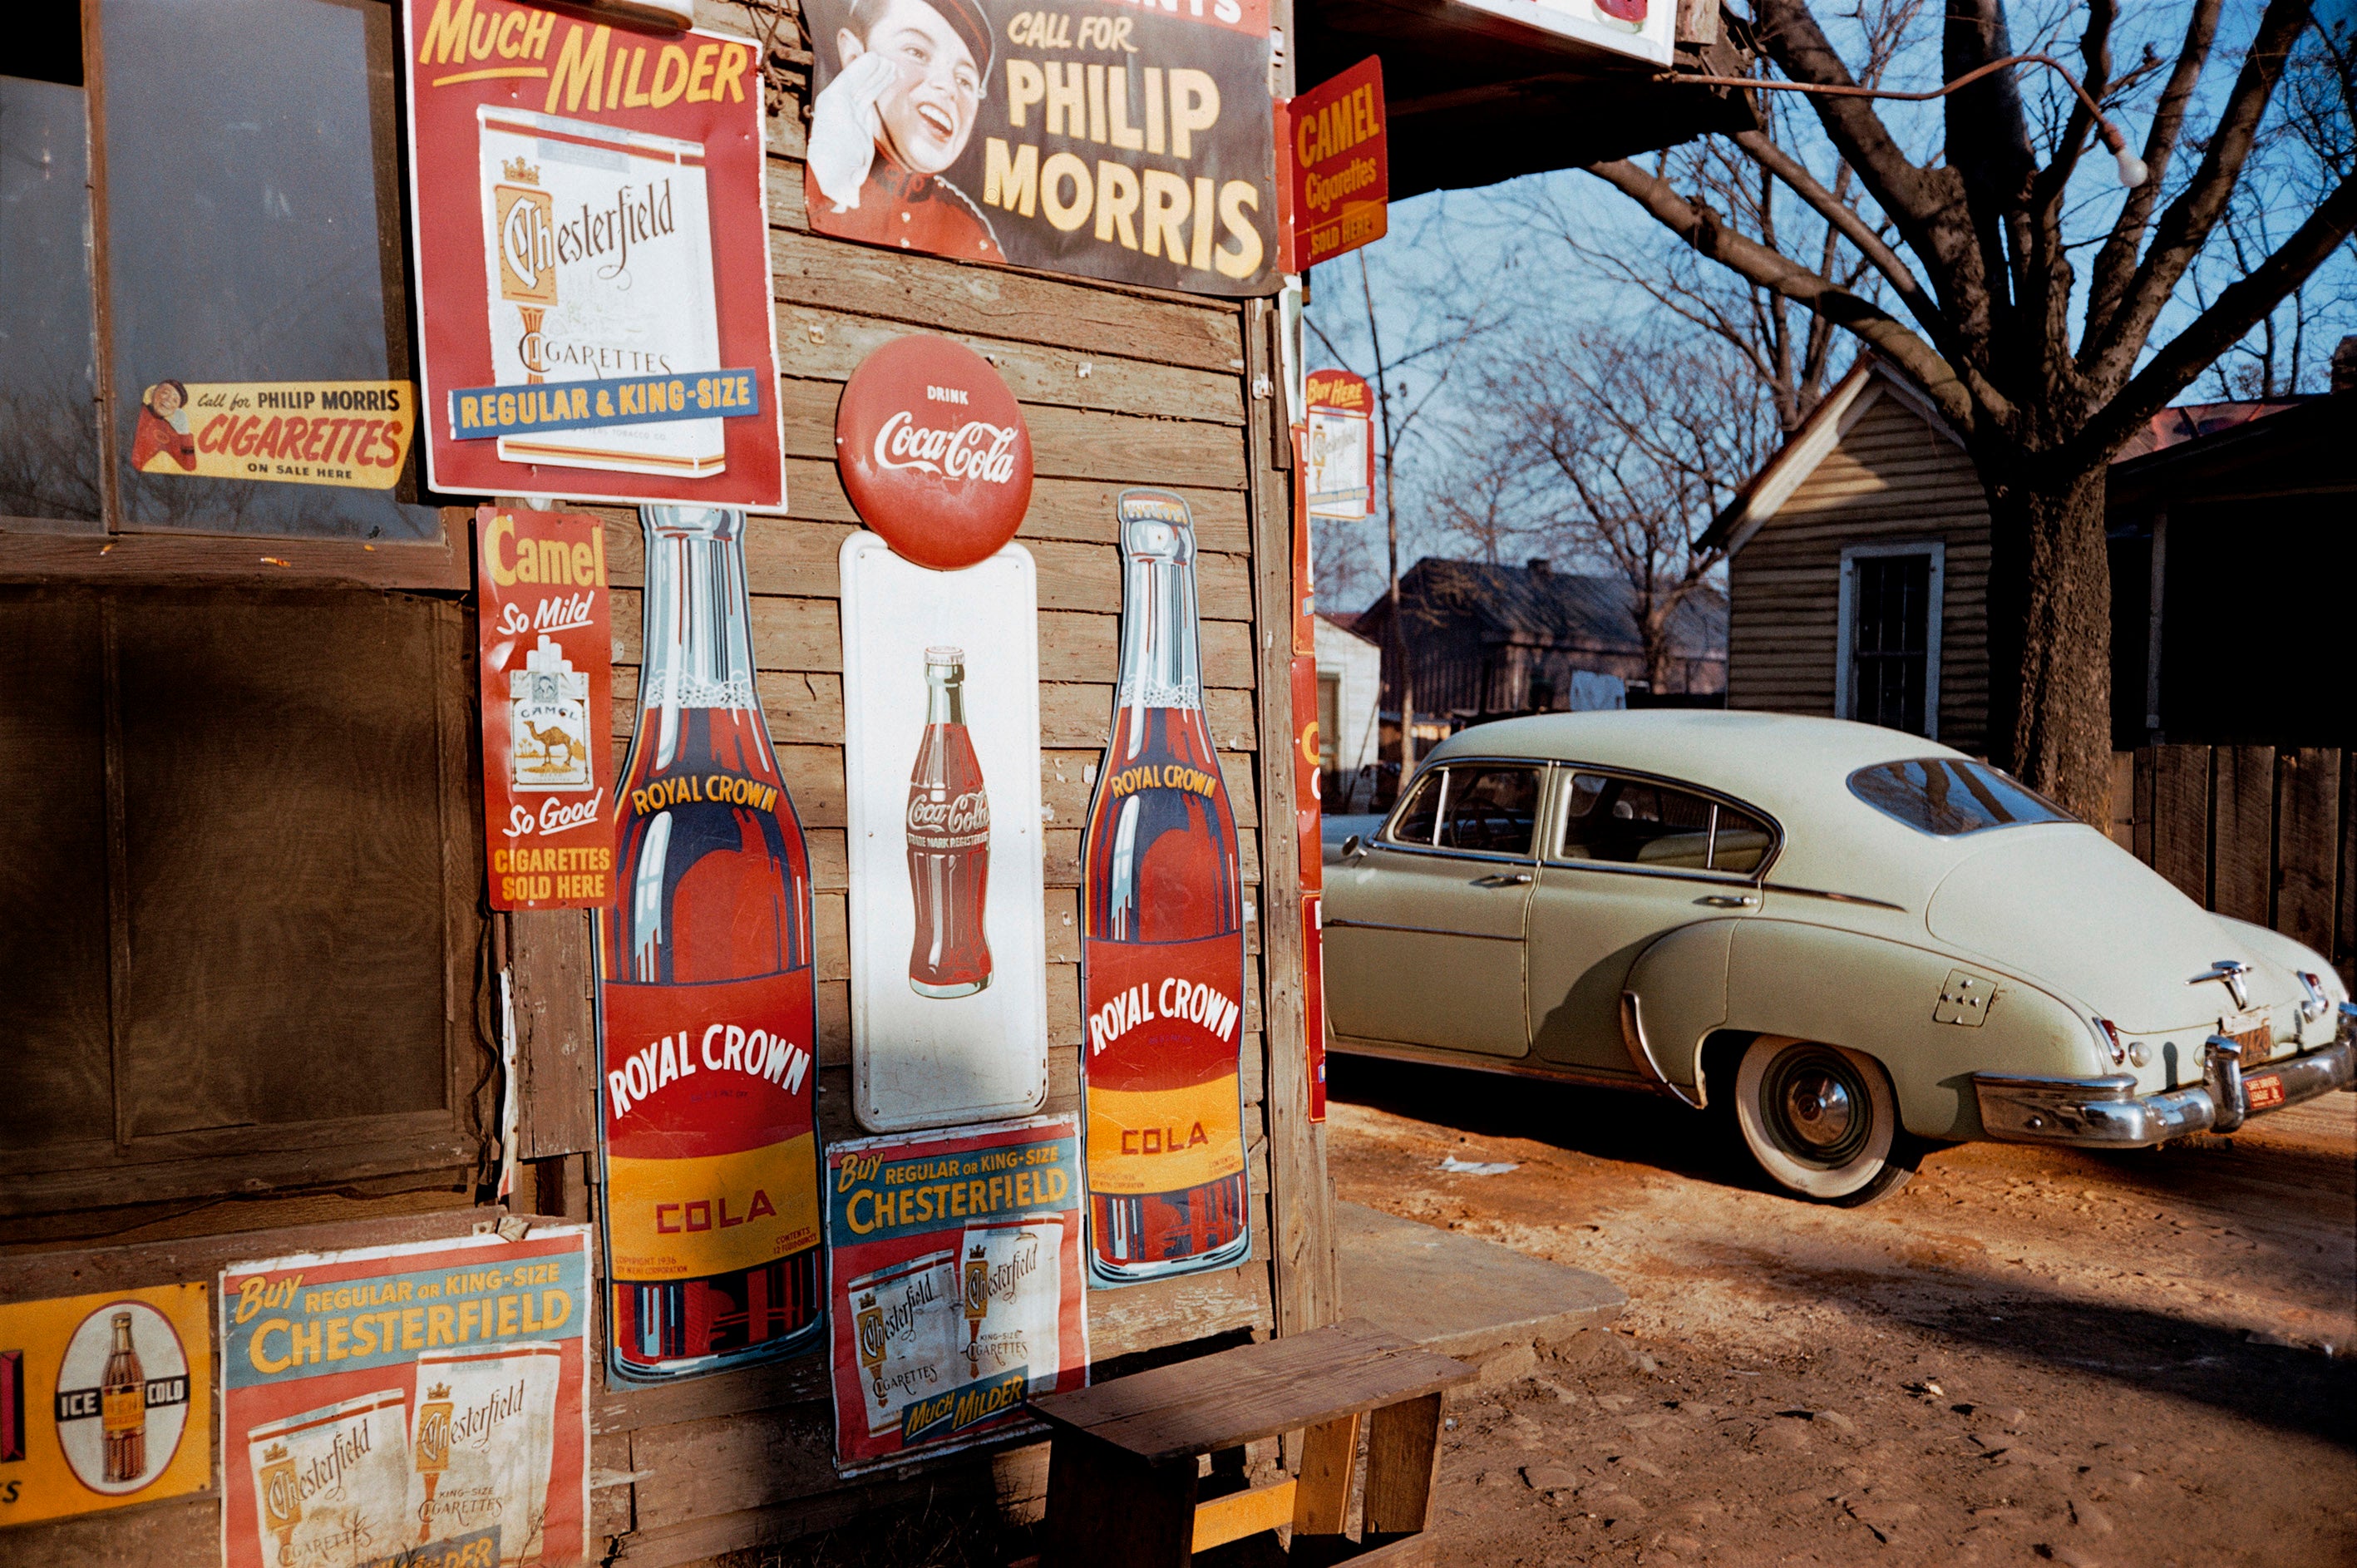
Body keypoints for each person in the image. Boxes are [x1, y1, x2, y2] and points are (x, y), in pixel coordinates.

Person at [806, 0, 1003, 262]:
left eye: (965, 80)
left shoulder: (969, 230)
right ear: (854, 56)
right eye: (917, 52)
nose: (947, 87)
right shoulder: (810, 169)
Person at [132, 379, 197, 473]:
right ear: (153, 392)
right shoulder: (135, 410)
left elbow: (189, 466)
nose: (168, 400)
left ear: (176, 410)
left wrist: (184, 432)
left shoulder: (168, 431)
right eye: (165, 393)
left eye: (175, 400)